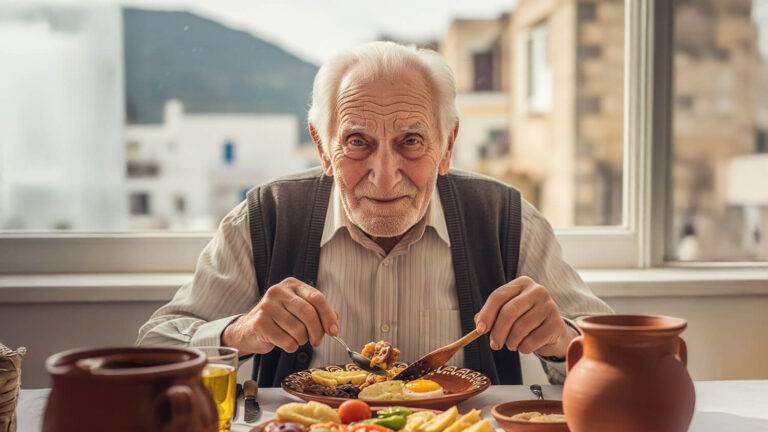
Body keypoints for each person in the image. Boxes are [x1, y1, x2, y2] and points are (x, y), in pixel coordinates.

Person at [137, 42, 613, 386]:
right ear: (322, 147)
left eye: (411, 141)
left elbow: (618, 361)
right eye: (357, 142)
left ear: (447, 145)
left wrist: (562, 340)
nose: (384, 178)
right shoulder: (265, 219)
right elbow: (151, 353)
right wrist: (239, 333)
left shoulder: (507, 220)